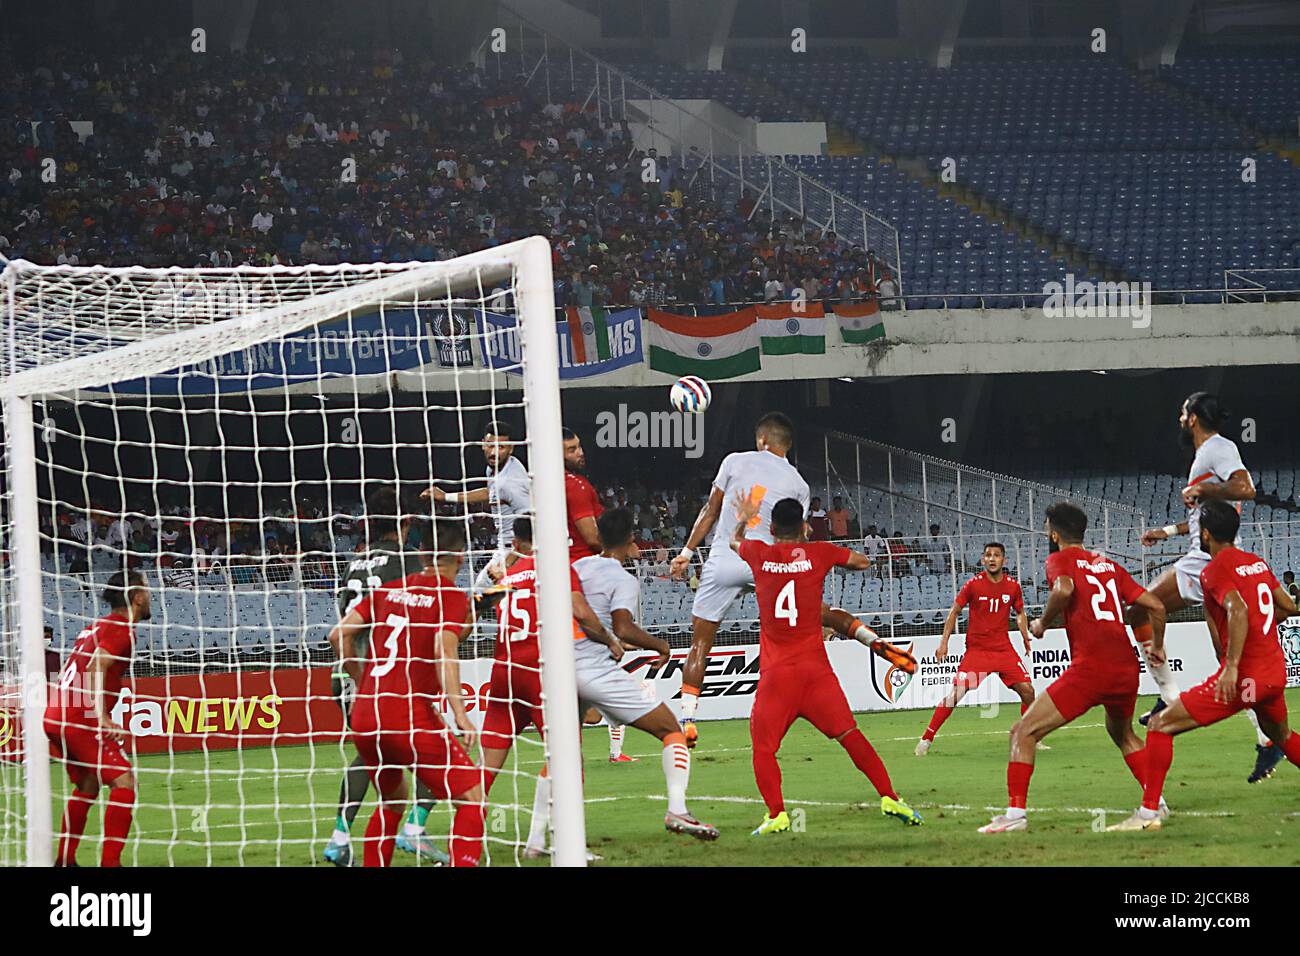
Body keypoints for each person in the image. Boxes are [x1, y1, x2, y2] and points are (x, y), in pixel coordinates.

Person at [669, 413, 903, 749]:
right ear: (785, 446)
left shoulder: (735, 460)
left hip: (724, 559)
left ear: (762, 440)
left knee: (700, 643)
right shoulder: (798, 484)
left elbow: (711, 509)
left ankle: (688, 720)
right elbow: (796, 536)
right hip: (767, 561)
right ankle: (874, 642)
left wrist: (687, 553)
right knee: (820, 611)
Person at [731, 495, 922, 834]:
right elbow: (862, 562)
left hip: (778, 677)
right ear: (804, 527)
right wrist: (822, 551)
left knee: (763, 749)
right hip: (816, 675)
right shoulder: (819, 553)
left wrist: (745, 518)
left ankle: (777, 814)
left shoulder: (760, 554)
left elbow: (735, 542)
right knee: (851, 736)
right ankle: (890, 797)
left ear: (773, 529)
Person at [1108, 500, 1300, 831]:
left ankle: (1149, 813)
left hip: (1244, 678)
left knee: (1159, 726)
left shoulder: (1213, 570)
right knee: (1281, 734)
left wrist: (1231, 667)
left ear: (1205, 534)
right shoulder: (1256, 563)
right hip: (1273, 673)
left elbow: (1237, 610)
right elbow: (1287, 607)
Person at [978, 503, 1168, 834]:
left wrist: (1042, 623)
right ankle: (1156, 802)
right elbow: (1156, 605)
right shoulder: (1108, 564)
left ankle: (1014, 815)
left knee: (1022, 732)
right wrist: (1158, 647)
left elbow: (1064, 589)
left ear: (1054, 533)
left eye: (1047, 528)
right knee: (1121, 733)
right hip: (1125, 666)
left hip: (1092, 668)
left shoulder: (1059, 560)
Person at [1133, 393, 1275, 782]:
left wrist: (1206, 491)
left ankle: (1168, 695)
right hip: (1209, 556)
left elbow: (1245, 489)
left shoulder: (1218, 447)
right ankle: (1267, 737)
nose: (1179, 418)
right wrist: (1165, 531)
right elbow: (1202, 513)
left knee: (1140, 606)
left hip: (1208, 561)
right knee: (1224, 653)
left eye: (1183, 412)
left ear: (1193, 418)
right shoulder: (1205, 455)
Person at [327, 518, 485, 867]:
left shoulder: (387, 591)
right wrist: (461, 715)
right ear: (460, 559)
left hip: (366, 716)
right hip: (408, 716)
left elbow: (338, 635)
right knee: (473, 798)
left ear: (421, 554)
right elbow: (446, 651)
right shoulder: (450, 597)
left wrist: (363, 678)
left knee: (392, 800)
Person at [477, 518, 623, 857]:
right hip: (540, 673)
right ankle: (559, 843)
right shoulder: (557, 568)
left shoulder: (509, 574)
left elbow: (482, 603)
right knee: (567, 757)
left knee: (486, 766)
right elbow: (582, 613)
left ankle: (465, 843)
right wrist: (609, 640)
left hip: (503, 671)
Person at [571, 508, 719, 840]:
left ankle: (537, 840)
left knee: (563, 751)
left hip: (560, 668)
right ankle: (678, 811)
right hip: (595, 668)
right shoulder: (622, 578)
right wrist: (660, 645)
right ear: (629, 540)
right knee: (671, 732)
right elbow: (623, 626)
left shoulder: (576, 567)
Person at [322, 485, 446, 867]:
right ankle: (415, 830)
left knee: (370, 753)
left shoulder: (352, 564)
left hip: (345, 674)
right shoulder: (407, 562)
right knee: (442, 747)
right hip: (388, 676)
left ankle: (339, 840)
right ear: (406, 522)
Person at [44, 570, 152, 866]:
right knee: (124, 782)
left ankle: (65, 860)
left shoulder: (95, 627)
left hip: (56, 715)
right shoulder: (120, 628)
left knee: (88, 785)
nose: (150, 596)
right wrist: (101, 716)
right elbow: (96, 666)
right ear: (138, 596)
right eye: (147, 590)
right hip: (81, 716)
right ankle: (110, 864)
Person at [916, 542, 1036, 755]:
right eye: (988, 555)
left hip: (1003, 650)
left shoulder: (1012, 586)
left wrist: (1024, 634)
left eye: (996, 555)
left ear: (1003, 560)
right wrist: (943, 643)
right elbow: (953, 612)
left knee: (1028, 691)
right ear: (983, 560)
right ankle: (926, 739)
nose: (992, 559)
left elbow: (1019, 613)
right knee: (957, 694)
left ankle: (1030, 737)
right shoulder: (973, 585)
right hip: (978, 651)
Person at [423, 419, 531, 589]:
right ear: (482, 444)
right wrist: (446, 497)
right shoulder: (498, 469)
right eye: (490, 445)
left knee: (481, 593)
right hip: (509, 548)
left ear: (511, 448)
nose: (494, 452)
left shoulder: (510, 484)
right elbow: (490, 492)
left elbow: (533, 523)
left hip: (517, 551)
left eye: (501, 447)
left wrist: (507, 563)